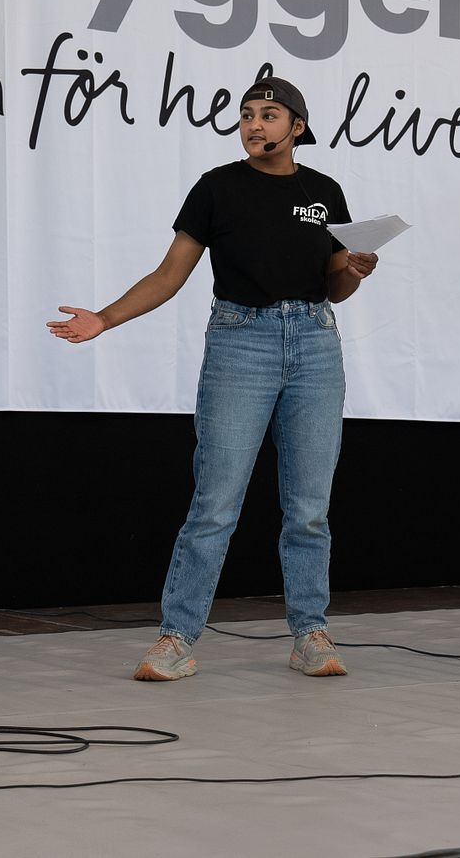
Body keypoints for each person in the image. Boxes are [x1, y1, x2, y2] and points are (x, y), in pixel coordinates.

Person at [50, 77, 379, 681]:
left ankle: (311, 633)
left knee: (309, 506)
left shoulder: (323, 193)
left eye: (270, 115)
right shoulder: (217, 188)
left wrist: (356, 269)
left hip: (314, 341)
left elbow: (336, 285)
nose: (255, 125)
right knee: (215, 502)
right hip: (240, 342)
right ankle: (176, 638)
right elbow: (170, 272)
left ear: (297, 127)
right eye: (247, 115)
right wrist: (106, 318)